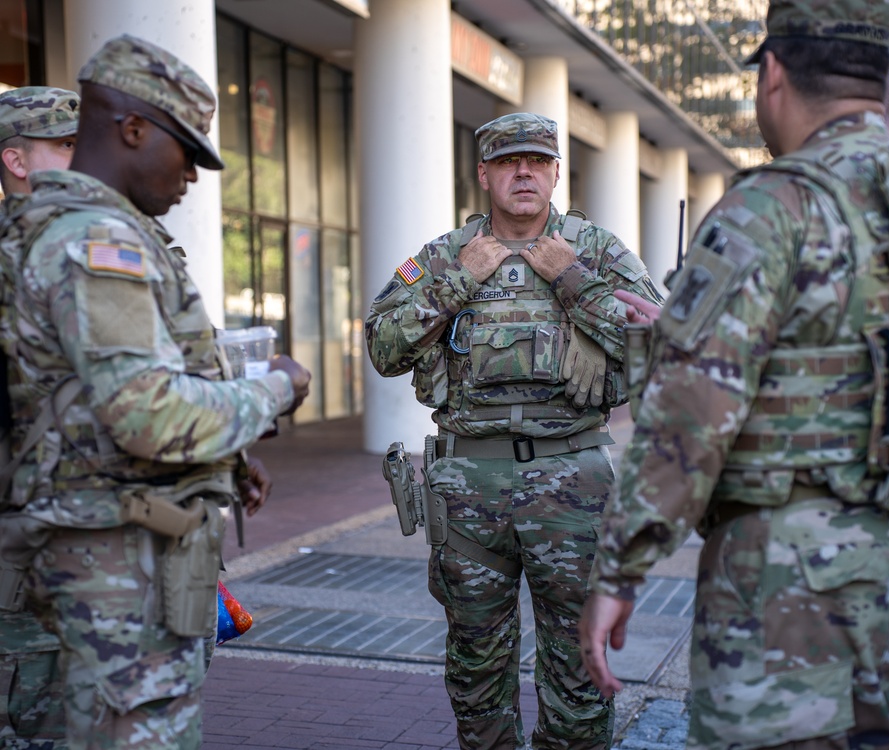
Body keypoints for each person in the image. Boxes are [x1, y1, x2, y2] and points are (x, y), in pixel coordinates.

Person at [580, 0, 889, 746]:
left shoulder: (771, 208)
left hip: (787, 594)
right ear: (885, 81)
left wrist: (620, 570)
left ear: (773, 75)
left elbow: (688, 417)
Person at [0, 34, 310, 749]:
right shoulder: (93, 241)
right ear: (133, 129)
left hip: (119, 552)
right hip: (114, 569)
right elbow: (148, 412)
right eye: (187, 152)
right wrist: (274, 389)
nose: (194, 177)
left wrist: (224, 462)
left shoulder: (79, 231)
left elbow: (83, 404)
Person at [366, 112, 663, 749]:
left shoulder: (598, 252)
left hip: (573, 480)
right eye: (507, 162)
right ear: (484, 176)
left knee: (578, 665)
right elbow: (383, 347)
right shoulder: (446, 254)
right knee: (475, 665)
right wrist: (457, 282)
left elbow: (666, 349)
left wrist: (574, 284)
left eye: (536, 161)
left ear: (557, 173)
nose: (522, 172)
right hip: (469, 485)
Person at [0, 84, 79, 750]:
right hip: (27, 527)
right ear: (17, 162)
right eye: (65, 146)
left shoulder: (110, 243)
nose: (82, 161)